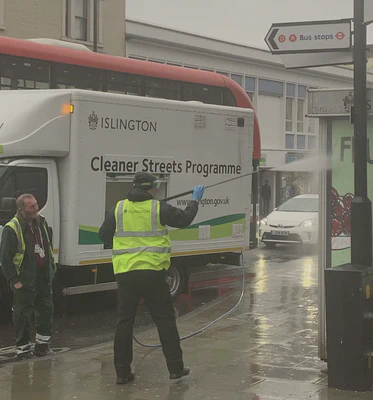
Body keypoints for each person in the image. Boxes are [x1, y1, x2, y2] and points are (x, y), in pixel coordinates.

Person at [99, 172, 205, 385]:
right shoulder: (158, 208)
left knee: (124, 322)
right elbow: (184, 220)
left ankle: (122, 373)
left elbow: (103, 235)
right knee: (164, 319)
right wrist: (195, 201)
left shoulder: (118, 208)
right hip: (153, 272)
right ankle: (175, 368)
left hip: (126, 273)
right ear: (150, 188)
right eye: (156, 186)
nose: (157, 189)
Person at [0, 194, 56, 359]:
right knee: (22, 315)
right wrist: (14, 281)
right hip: (24, 280)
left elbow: (47, 245)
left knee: (45, 312)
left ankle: (42, 346)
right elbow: (5, 259)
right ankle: (23, 350)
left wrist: (50, 271)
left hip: (43, 277)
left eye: (36, 204)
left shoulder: (42, 222)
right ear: (22, 209)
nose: (36, 208)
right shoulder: (12, 228)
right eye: (31, 206)